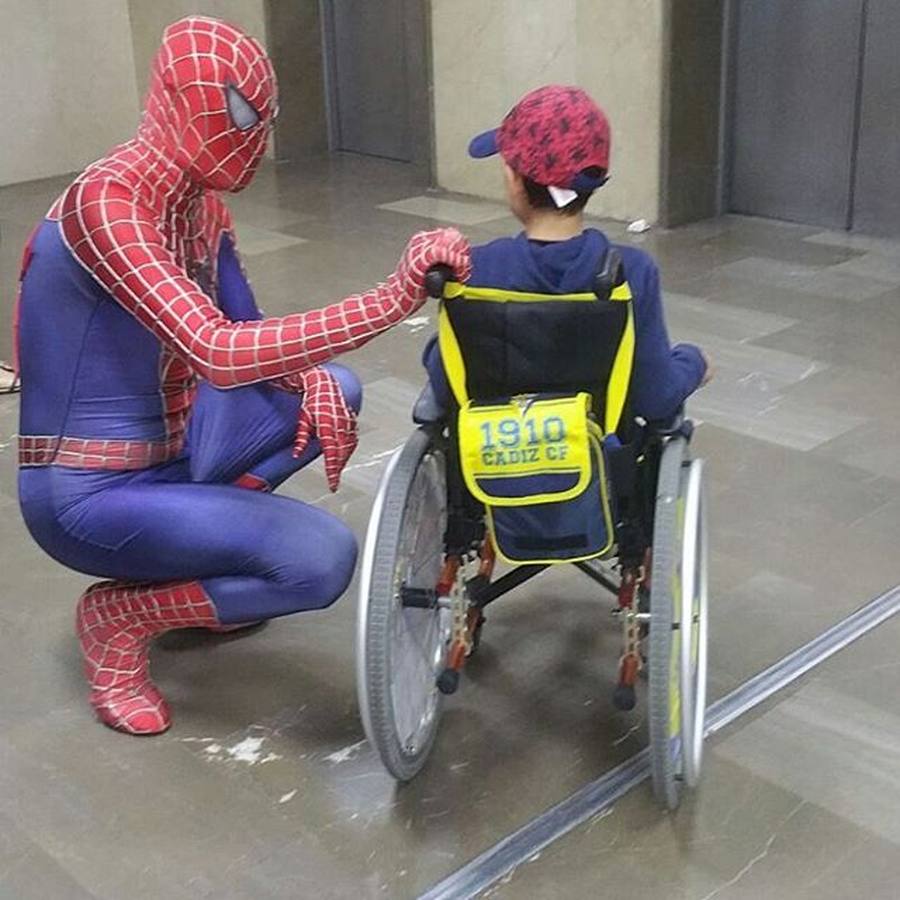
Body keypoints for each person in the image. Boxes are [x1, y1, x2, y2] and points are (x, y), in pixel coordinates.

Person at [15, 16, 470, 736]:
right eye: (242, 116)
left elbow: (248, 333)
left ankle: (199, 556)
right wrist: (389, 300)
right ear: (178, 100)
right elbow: (218, 351)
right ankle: (120, 617)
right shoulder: (107, 205)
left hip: (178, 449)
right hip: (87, 491)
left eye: (267, 119)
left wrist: (310, 377)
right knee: (318, 561)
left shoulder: (201, 208)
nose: (257, 139)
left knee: (334, 389)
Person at [424, 84, 709, 419]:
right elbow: (655, 398)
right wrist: (694, 361)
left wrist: (434, 349)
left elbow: (446, 382)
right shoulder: (631, 271)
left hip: (485, 450)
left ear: (514, 180)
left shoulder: (474, 268)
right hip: (598, 450)